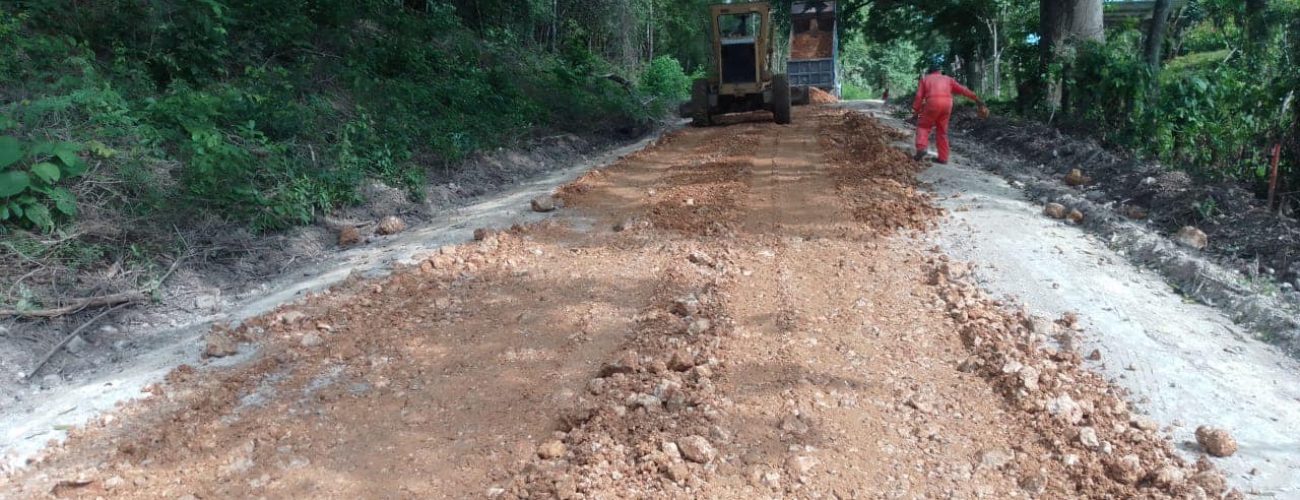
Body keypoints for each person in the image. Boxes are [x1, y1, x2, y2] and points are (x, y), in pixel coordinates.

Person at [912, 59, 985, 164]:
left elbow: (919, 97)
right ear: (940, 71)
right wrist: (976, 99)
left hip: (932, 103)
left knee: (924, 126)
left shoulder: (925, 79)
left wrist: (916, 111)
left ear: (930, 71)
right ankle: (943, 158)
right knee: (942, 131)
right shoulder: (948, 79)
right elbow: (963, 90)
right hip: (947, 105)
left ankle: (921, 148)